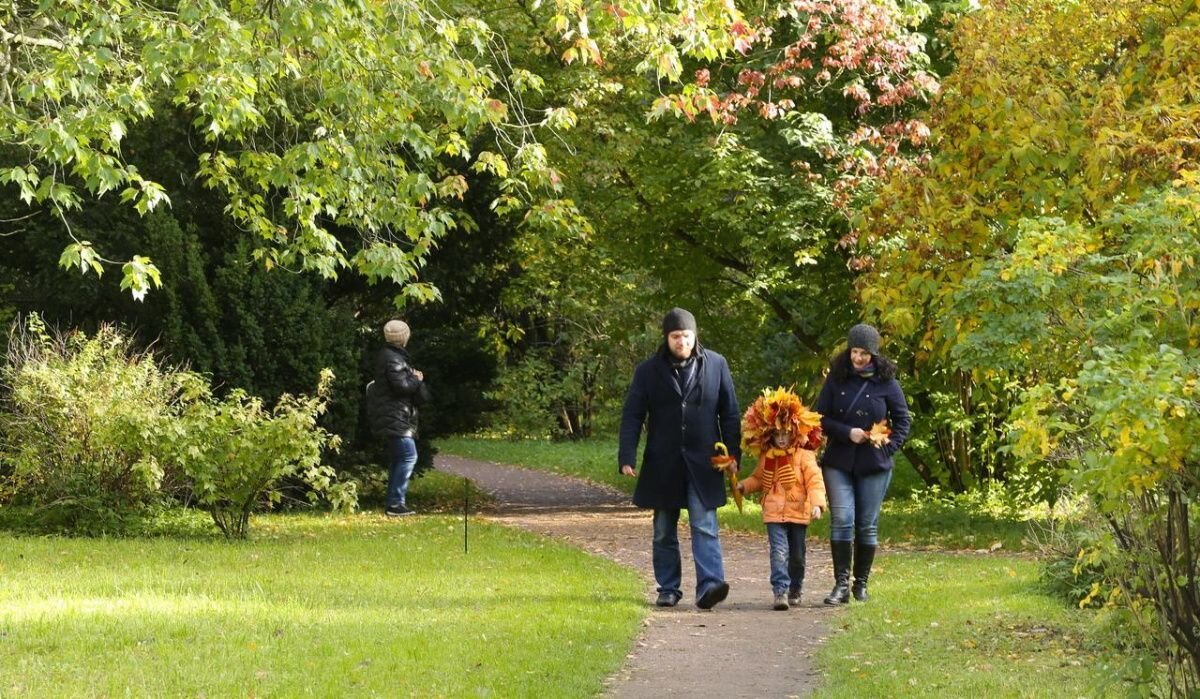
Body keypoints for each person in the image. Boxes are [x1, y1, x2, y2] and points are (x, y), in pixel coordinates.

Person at [618, 308, 742, 610]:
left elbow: (730, 413)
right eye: (675, 336)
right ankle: (668, 588)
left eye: (686, 336)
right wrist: (627, 455)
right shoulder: (648, 371)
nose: (681, 341)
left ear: (695, 335)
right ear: (666, 337)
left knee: (705, 524)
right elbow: (633, 414)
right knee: (663, 530)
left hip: (705, 461)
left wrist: (733, 454)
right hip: (663, 462)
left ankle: (710, 586)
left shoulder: (716, 364)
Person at [814, 323, 911, 604]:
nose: (858, 358)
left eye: (864, 353)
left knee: (867, 525)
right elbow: (820, 418)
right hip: (839, 460)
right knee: (842, 520)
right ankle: (841, 585)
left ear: (874, 355)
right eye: (854, 352)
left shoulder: (887, 382)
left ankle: (861, 584)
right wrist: (847, 432)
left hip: (874, 463)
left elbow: (903, 421)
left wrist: (888, 449)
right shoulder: (836, 378)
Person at [736, 388, 827, 610]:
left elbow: (814, 481)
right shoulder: (767, 457)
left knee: (797, 556)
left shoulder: (804, 456)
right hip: (773, 512)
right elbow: (759, 479)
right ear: (770, 435)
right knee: (778, 551)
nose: (782, 438)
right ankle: (780, 591)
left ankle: (795, 588)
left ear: (794, 432)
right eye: (777, 435)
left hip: (798, 512)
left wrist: (817, 504)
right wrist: (743, 486)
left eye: (786, 434)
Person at [366, 319, 428, 517]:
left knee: (399, 458)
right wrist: (416, 378)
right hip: (395, 415)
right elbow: (402, 386)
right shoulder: (393, 358)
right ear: (404, 336)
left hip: (394, 414)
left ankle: (394, 502)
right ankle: (395, 503)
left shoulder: (392, 356)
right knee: (409, 456)